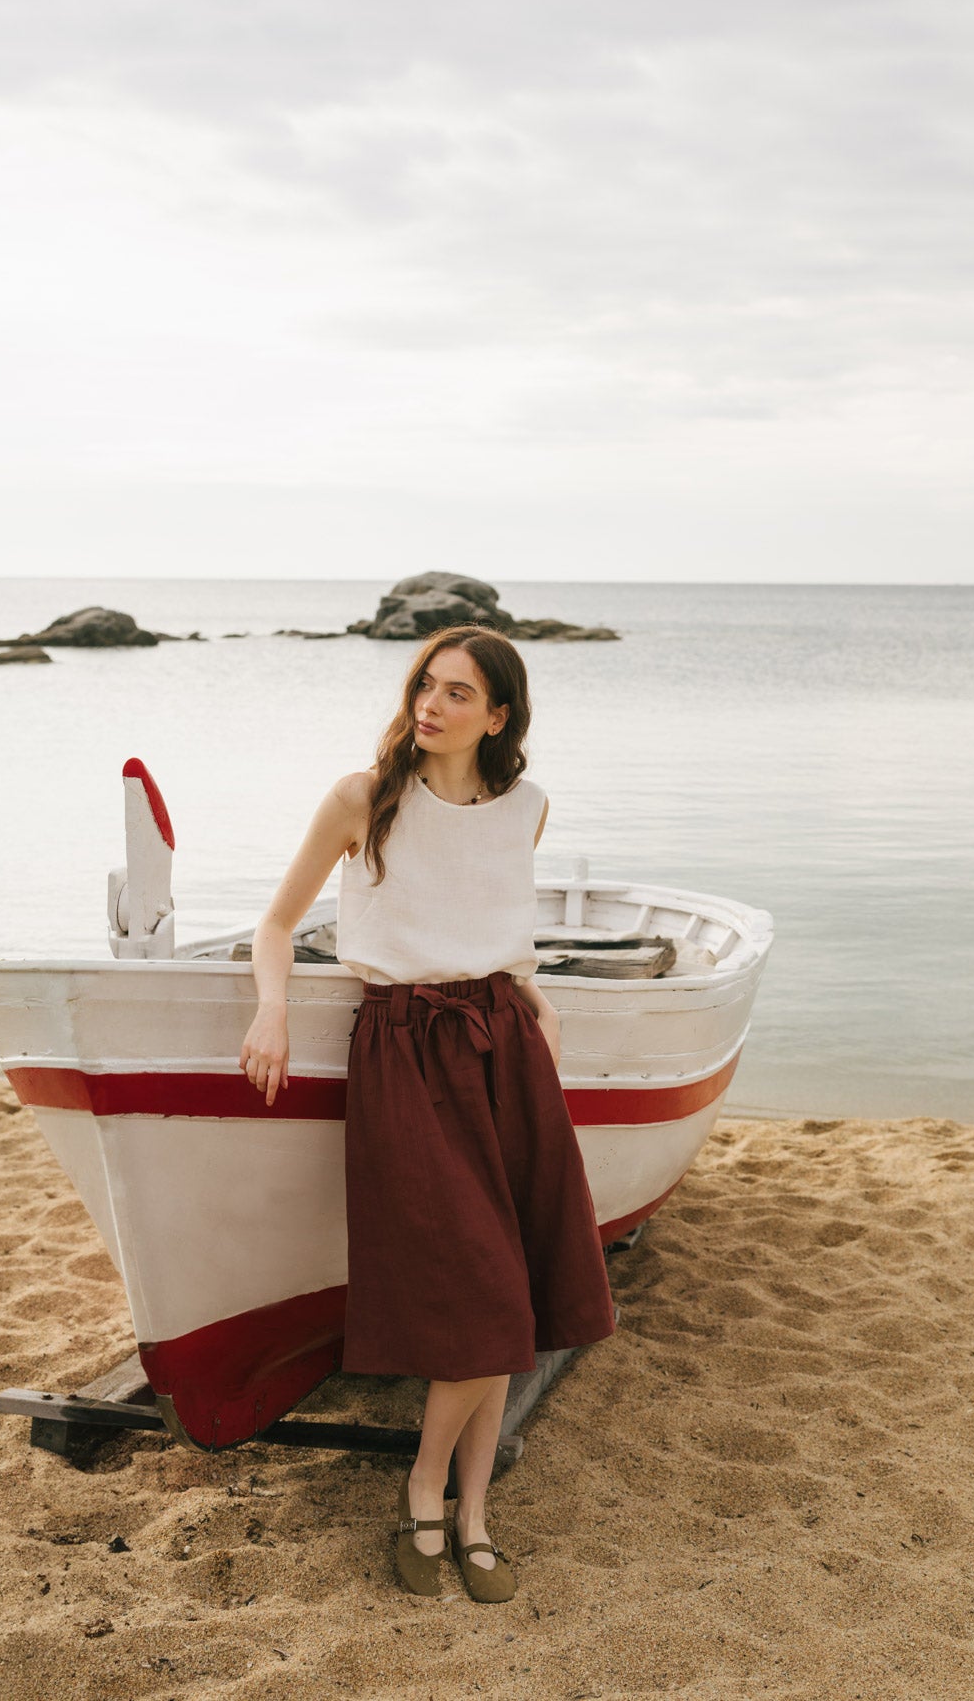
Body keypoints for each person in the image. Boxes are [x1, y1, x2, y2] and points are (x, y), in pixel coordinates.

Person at [238, 623, 616, 1602]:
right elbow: (276, 924)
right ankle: (423, 1489)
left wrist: (535, 995)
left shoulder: (525, 808)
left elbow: (495, 928)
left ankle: (472, 1509)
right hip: (405, 1049)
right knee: (485, 1290)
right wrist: (272, 1010)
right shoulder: (364, 799)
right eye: (425, 685)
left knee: (515, 1294)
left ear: (498, 717)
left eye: (457, 693)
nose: (432, 705)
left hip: (505, 1047)